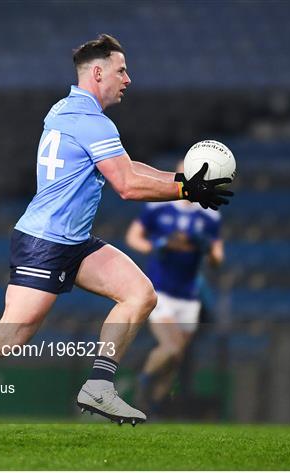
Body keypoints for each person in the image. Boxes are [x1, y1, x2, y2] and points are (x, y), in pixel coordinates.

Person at [0, 34, 233, 436]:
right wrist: (185, 189)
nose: (127, 78)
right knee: (13, 334)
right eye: (120, 70)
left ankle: (98, 385)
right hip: (44, 242)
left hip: (73, 241)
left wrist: (183, 181)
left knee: (140, 293)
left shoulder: (67, 110)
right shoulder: (91, 121)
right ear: (98, 72)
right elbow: (127, 186)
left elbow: (129, 167)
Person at [126, 163, 224, 416]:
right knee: (170, 347)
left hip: (189, 296)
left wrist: (206, 249)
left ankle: (152, 408)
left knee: (177, 357)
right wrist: (157, 245)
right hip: (161, 292)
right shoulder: (159, 208)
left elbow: (217, 258)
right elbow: (133, 237)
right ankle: (144, 382)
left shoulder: (209, 215)